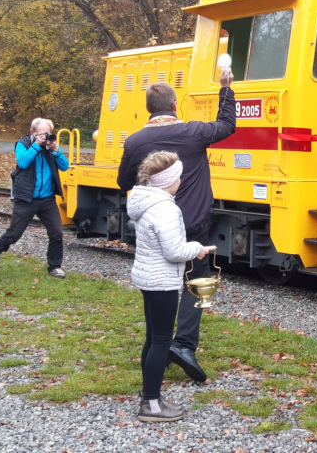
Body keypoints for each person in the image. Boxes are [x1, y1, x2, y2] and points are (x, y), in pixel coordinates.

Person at [117, 69, 235, 382]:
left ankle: (158, 344)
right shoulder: (195, 132)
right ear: (174, 104)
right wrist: (225, 88)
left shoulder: (135, 141)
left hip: (157, 225)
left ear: (148, 108)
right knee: (197, 282)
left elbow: (123, 181)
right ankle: (183, 344)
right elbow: (227, 125)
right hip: (193, 223)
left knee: (159, 284)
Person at [128, 151, 211, 422]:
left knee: (153, 338)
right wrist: (198, 248)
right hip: (161, 281)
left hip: (148, 278)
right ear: (169, 180)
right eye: (178, 176)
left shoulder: (145, 200)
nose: (181, 180)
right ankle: (151, 405)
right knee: (162, 341)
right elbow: (174, 251)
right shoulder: (166, 208)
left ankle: (149, 395)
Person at [0, 118, 69, 278]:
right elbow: (22, 162)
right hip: (26, 198)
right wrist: (36, 145)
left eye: (48, 133)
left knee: (57, 233)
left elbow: (64, 166)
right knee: (14, 233)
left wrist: (56, 150)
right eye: (41, 133)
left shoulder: (50, 147)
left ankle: (54, 266)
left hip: (46, 199)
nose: (45, 137)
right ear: (33, 133)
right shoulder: (22, 144)